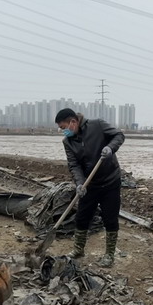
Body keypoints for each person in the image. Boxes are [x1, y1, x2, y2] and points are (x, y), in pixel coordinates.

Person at [55, 108, 125, 267]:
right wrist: (80, 183)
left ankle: (109, 255)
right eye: (61, 128)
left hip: (110, 182)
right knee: (82, 217)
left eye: (64, 127)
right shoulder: (68, 142)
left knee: (110, 218)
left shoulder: (97, 125)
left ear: (73, 122)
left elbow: (119, 135)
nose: (63, 131)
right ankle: (78, 249)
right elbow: (74, 165)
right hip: (89, 184)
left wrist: (110, 148)